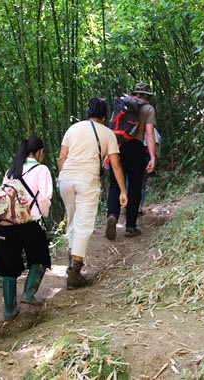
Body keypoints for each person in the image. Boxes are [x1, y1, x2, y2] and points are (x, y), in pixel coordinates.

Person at [58, 97, 128, 289]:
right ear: (105, 117)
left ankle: (72, 257)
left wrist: (64, 177)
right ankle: (75, 272)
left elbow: (62, 158)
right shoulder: (108, 133)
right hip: (87, 180)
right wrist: (123, 190)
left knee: (72, 221)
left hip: (65, 179)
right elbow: (115, 165)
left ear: (87, 113)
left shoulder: (73, 129)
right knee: (84, 224)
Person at [0, 136, 53, 320]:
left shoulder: (10, 171)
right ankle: (28, 293)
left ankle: (9, 309)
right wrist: (43, 215)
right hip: (30, 222)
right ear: (40, 152)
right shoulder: (41, 169)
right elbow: (44, 197)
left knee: (8, 265)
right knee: (40, 258)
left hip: (8, 224)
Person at [105, 82, 157, 240]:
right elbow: (149, 134)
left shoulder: (122, 105)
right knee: (134, 186)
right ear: (147, 96)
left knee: (115, 185)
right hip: (136, 148)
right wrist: (153, 157)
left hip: (118, 147)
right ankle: (130, 227)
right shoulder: (148, 109)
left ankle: (112, 215)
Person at [139, 127, 161, 215]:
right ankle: (139, 206)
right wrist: (154, 157)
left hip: (135, 155)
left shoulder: (134, 125)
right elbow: (157, 142)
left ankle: (128, 205)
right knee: (142, 183)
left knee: (130, 179)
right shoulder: (152, 129)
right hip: (147, 157)